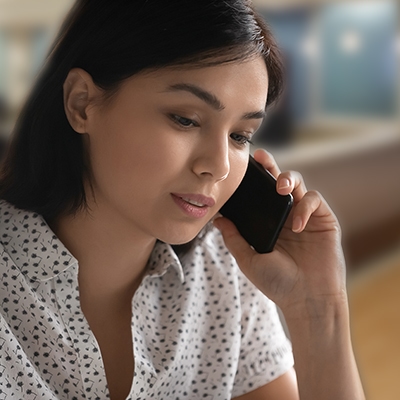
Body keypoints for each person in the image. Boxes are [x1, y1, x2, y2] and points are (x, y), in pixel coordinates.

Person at [0, 1, 365, 399]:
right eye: (185, 119)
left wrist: (318, 309)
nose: (219, 166)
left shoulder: (221, 272)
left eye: (240, 135)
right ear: (81, 103)